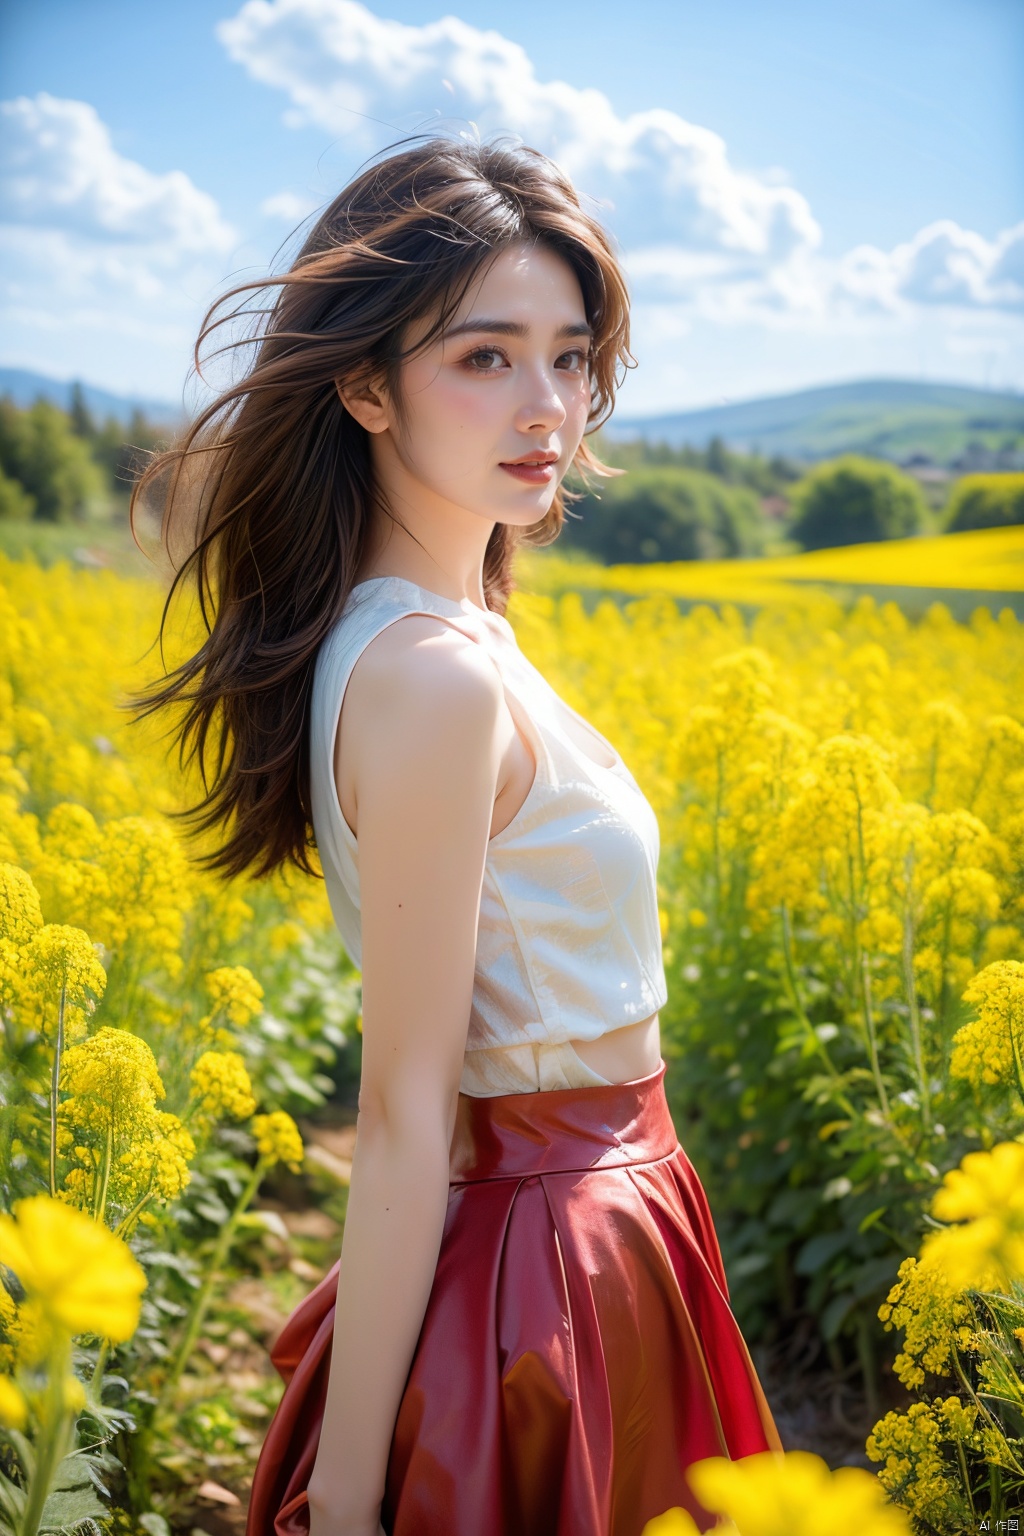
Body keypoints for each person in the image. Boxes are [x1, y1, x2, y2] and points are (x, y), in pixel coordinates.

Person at [130, 135, 782, 1536]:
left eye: (569, 353)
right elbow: (405, 1112)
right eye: (485, 357)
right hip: (551, 1262)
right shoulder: (433, 673)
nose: (547, 404)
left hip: (586, 1228)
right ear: (364, 386)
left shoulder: (447, 631)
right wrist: (350, 1504)